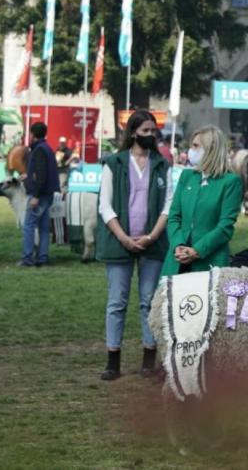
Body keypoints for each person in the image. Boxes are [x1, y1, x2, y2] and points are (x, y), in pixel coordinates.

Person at [96, 110, 173, 381]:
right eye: (146, 131)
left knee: (148, 302)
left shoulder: (162, 165)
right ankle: (112, 361)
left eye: (154, 131)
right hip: (120, 242)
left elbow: (168, 205)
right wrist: (124, 238)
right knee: (117, 302)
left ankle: (148, 359)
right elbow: (104, 206)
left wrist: (152, 236)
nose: (151, 136)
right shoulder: (113, 164)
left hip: (152, 242)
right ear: (132, 133)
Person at [162, 126, 243, 276]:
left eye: (196, 146)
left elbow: (225, 226)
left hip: (210, 262)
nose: (191, 150)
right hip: (177, 260)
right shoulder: (187, 176)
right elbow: (174, 216)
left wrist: (197, 251)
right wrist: (178, 244)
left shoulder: (230, 181)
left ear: (211, 149)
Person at [19, 122, 61, 267]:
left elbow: (42, 175)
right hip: (47, 193)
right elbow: (41, 173)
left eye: (30, 133)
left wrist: (36, 196)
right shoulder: (46, 148)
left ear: (33, 135)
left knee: (29, 226)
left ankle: (27, 258)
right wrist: (28, 176)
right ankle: (42, 257)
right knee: (43, 227)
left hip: (40, 194)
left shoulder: (39, 150)